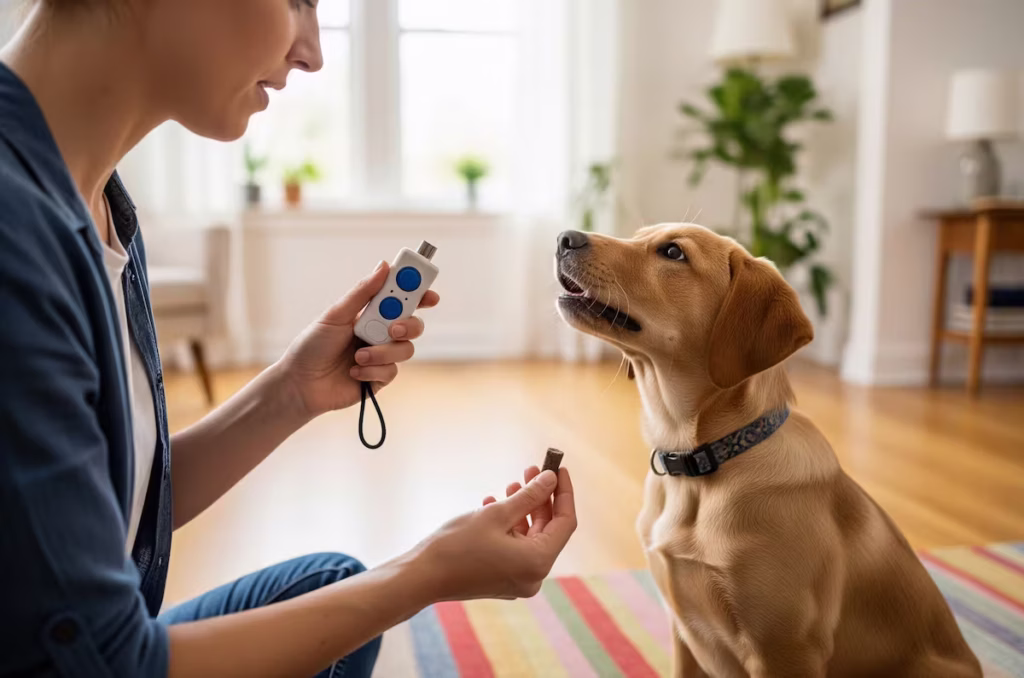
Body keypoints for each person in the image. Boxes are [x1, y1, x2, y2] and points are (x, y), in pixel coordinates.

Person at [0, 1, 578, 676]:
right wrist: (426, 574)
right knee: (363, 600)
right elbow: (108, 663)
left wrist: (291, 392)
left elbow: (118, 504)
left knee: (331, 588)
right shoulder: (15, 237)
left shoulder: (101, 208)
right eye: (298, 0)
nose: (313, 53)